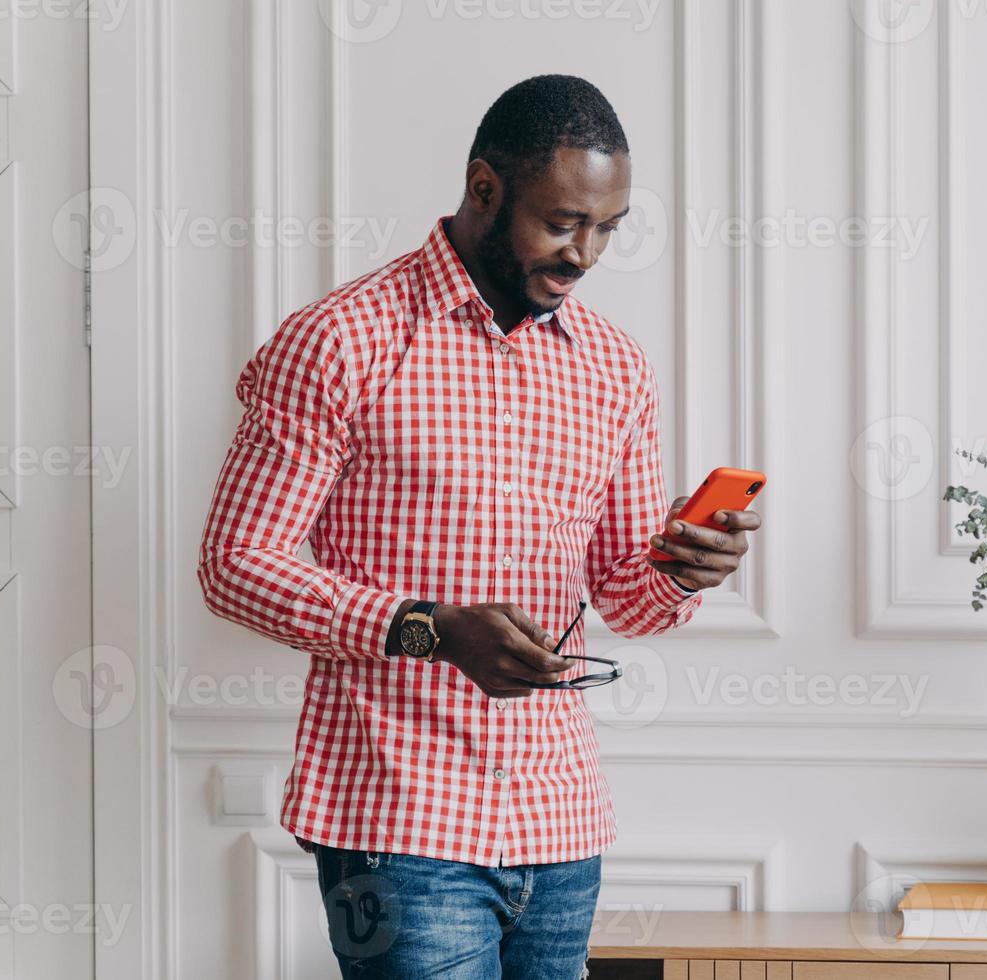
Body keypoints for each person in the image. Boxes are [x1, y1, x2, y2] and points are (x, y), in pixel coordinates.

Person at [196, 74, 762, 978]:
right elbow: (235, 564)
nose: (584, 254)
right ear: (484, 189)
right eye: (563, 221)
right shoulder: (339, 342)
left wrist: (687, 569)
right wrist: (430, 628)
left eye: (607, 229)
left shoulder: (615, 370)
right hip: (395, 821)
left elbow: (627, 596)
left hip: (560, 820)